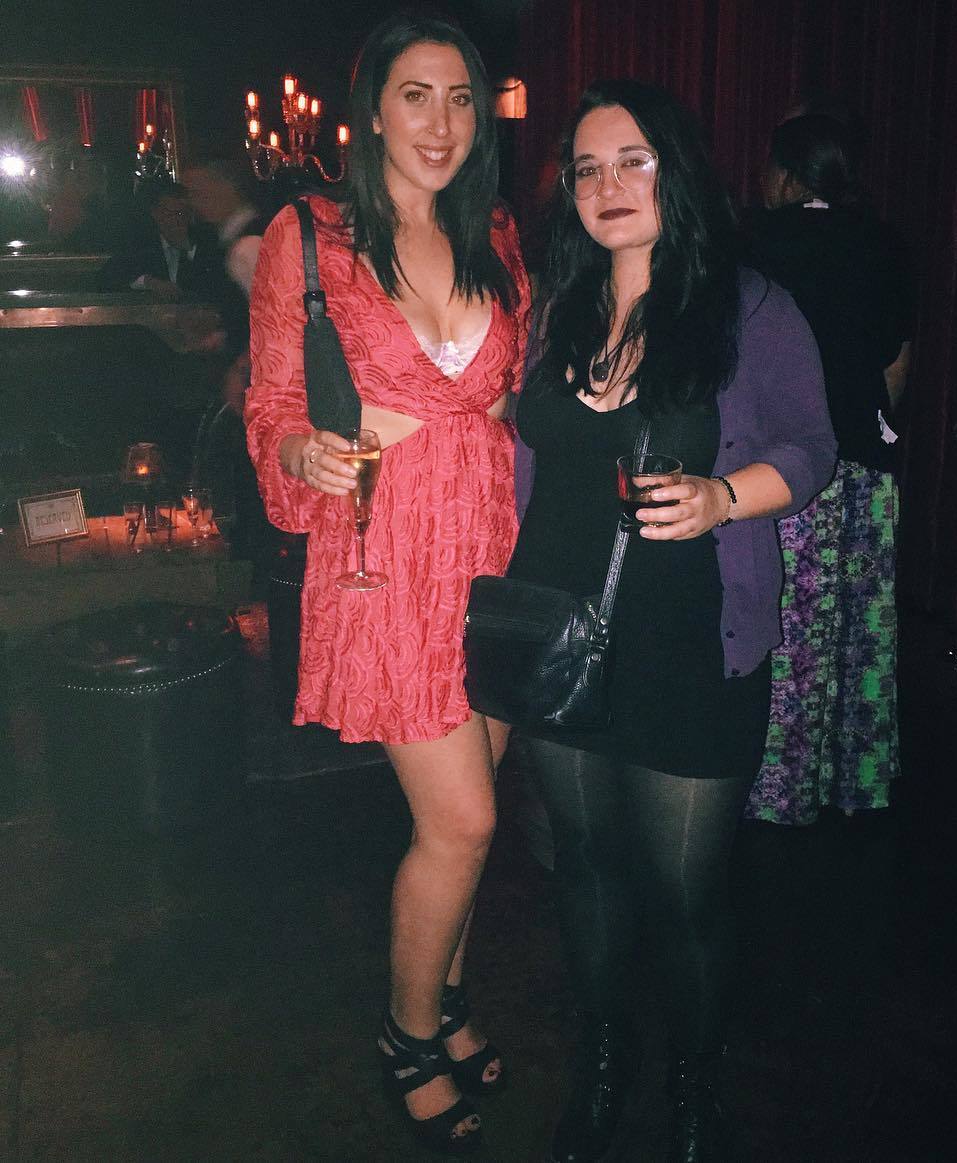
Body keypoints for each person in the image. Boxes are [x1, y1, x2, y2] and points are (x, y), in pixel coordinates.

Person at [508, 80, 835, 1162]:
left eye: (632, 161)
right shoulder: (555, 309)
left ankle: (696, 1084)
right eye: (587, 168)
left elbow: (809, 446)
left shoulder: (750, 308)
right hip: (562, 635)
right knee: (586, 866)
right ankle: (605, 1059)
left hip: (693, 643)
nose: (607, 185)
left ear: (678, 170)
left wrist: (721, 497)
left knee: (688, 892)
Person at [244, 15, 529, 1155]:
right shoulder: (310, 235)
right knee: (464, 820)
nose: (441, 123)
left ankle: (447, 1000)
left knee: (464, 818)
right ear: (371, 111)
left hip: (493, 550)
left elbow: (509, 396)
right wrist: (302, 451)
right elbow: (273, 406)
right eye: (417, 95)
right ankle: (407, 1034)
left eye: (461, 98)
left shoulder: (494, 231)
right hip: (390, 555)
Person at [742, 113, 913, 823]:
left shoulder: (753, 240)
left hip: (782, 468)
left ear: (784, 173)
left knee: (788, 632)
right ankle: (858, 778)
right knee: (862, 630)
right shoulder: (884, 242)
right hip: (865, 461)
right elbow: (895, 367)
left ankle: (778, 790)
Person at [100, 181, 224, 300]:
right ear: (155, 213)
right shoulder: (141, 242)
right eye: (168, 213)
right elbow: (109, 276)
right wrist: (148, 282)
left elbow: (217, 283)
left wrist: (187, 249)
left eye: (181, 213)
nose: (176, 220)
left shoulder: (206, 240)